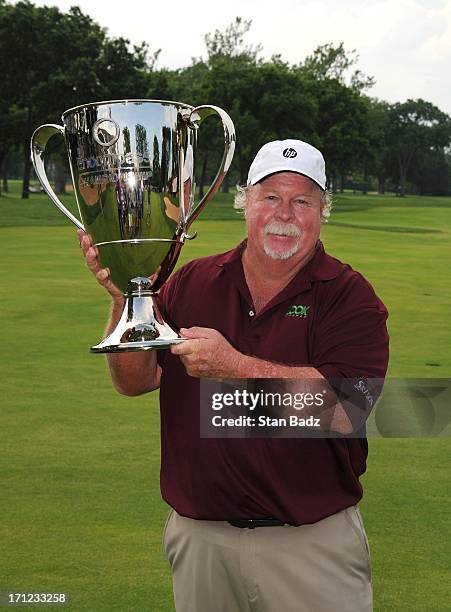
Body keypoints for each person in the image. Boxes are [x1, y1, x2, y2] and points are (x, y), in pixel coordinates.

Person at [78, 139, 389, 612]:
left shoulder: (349, 297)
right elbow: (134, 381)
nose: (284, 213)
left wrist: (236, 368)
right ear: (245, 203)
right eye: (270, 198)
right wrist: (127, 298)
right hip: (201, 542)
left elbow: (346, 409)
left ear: (322, 212)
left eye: (301, 201)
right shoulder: (190, 281)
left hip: (310, 545)